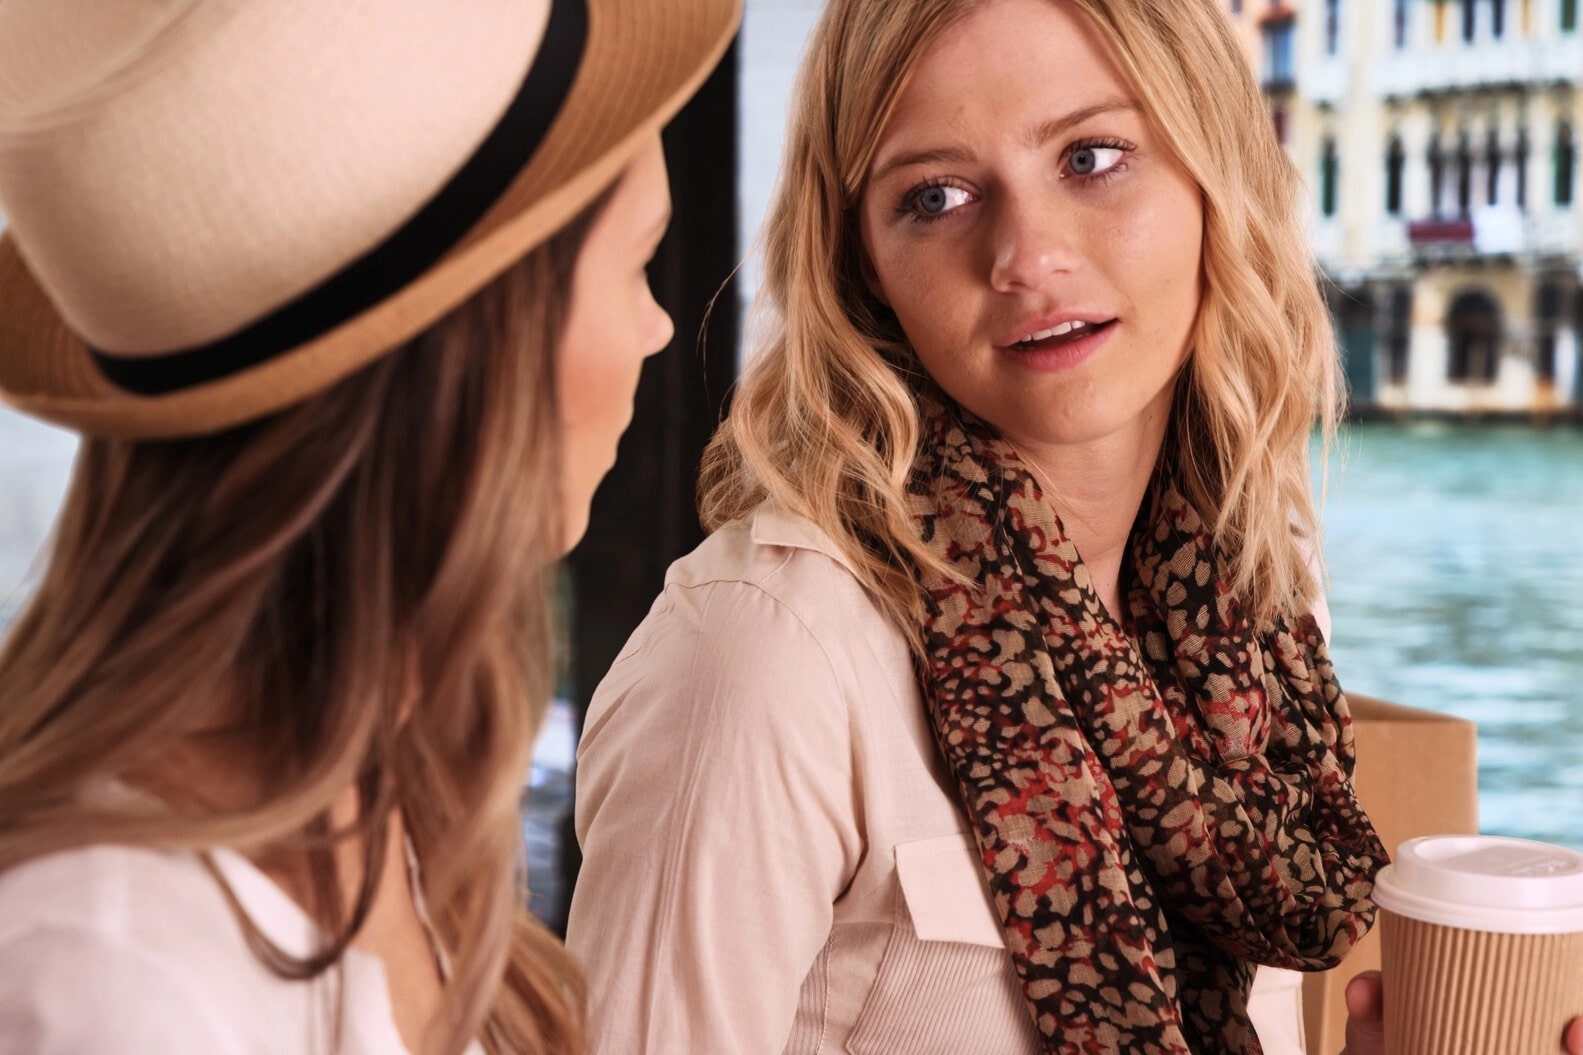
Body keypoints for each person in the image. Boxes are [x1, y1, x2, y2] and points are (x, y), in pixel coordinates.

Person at [566, 0, 1389, 1052]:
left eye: (1091, 156)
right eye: (936, 195)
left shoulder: (1257, 600)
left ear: (1211, 172)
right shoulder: (763, 655)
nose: (1024, 255)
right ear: (862, 261)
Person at [0, 0, 738, 1053]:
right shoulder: (106, 977)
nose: (659, 328)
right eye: (635, 264)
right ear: (480, 361)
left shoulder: (381, 801)